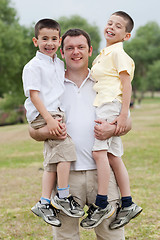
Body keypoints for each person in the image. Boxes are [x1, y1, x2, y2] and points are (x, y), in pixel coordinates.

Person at [29, 28, 132, 240]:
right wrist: (49, 130)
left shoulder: (105, 81)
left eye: (81, 47)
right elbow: (32, 129)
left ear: (90, 50)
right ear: (62, 52)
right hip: (66, 178)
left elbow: (127, 121)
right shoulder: (51, 85)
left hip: (102, 175)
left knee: (111, 236)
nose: (75, 52)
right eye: (69, 48)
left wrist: (112, 129)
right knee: (66, 237)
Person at [81, 11, 142, 230]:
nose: (111, 27)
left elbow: (126, 85)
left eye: (118, 26)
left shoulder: (118, 54)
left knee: (99, 153)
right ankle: (128, 203)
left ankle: (102, 203)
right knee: (113, 156)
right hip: (107, 104)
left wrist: (123, 115)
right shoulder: (104, 53)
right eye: (109, 23)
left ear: (126, 36)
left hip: (110, 105)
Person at [22, 19, 84, 227]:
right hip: (44, 113)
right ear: (35, 41)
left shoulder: (57, 63)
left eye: (54, 39)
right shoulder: (33, 66)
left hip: (55, 112)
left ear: (59, 41)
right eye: (44, 39)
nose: (49, 43)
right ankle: (63, 197)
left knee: (53, 162)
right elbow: (34, 96)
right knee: (66, 148)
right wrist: (49, 119)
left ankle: (44, 201)